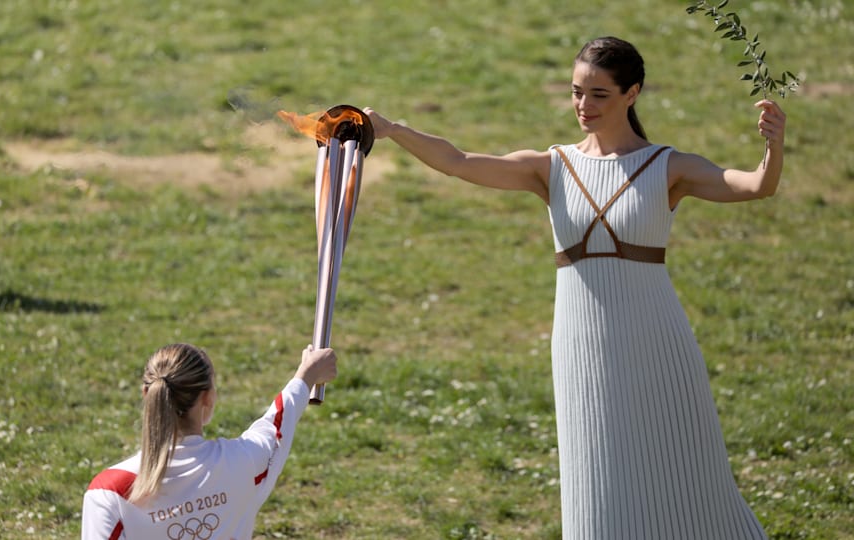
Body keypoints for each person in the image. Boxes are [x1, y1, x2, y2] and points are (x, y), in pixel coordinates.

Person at [364, 36, 785, 539]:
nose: (584, 106)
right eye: (577, 92)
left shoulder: (668, 167)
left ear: (633, 93)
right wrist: (391, 129)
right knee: (597, 480)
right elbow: (460, 161)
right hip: (581, 346)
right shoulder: (553, 167)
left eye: (599, 94)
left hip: (657, 344)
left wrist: (773, 144)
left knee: (686, 474)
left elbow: (756, 185)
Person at [81, 343, 337, 540]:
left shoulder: (109, 491)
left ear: (147, 394)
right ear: (207, 399)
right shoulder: (243, 463)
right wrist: (307, 375)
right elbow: (279, 421)